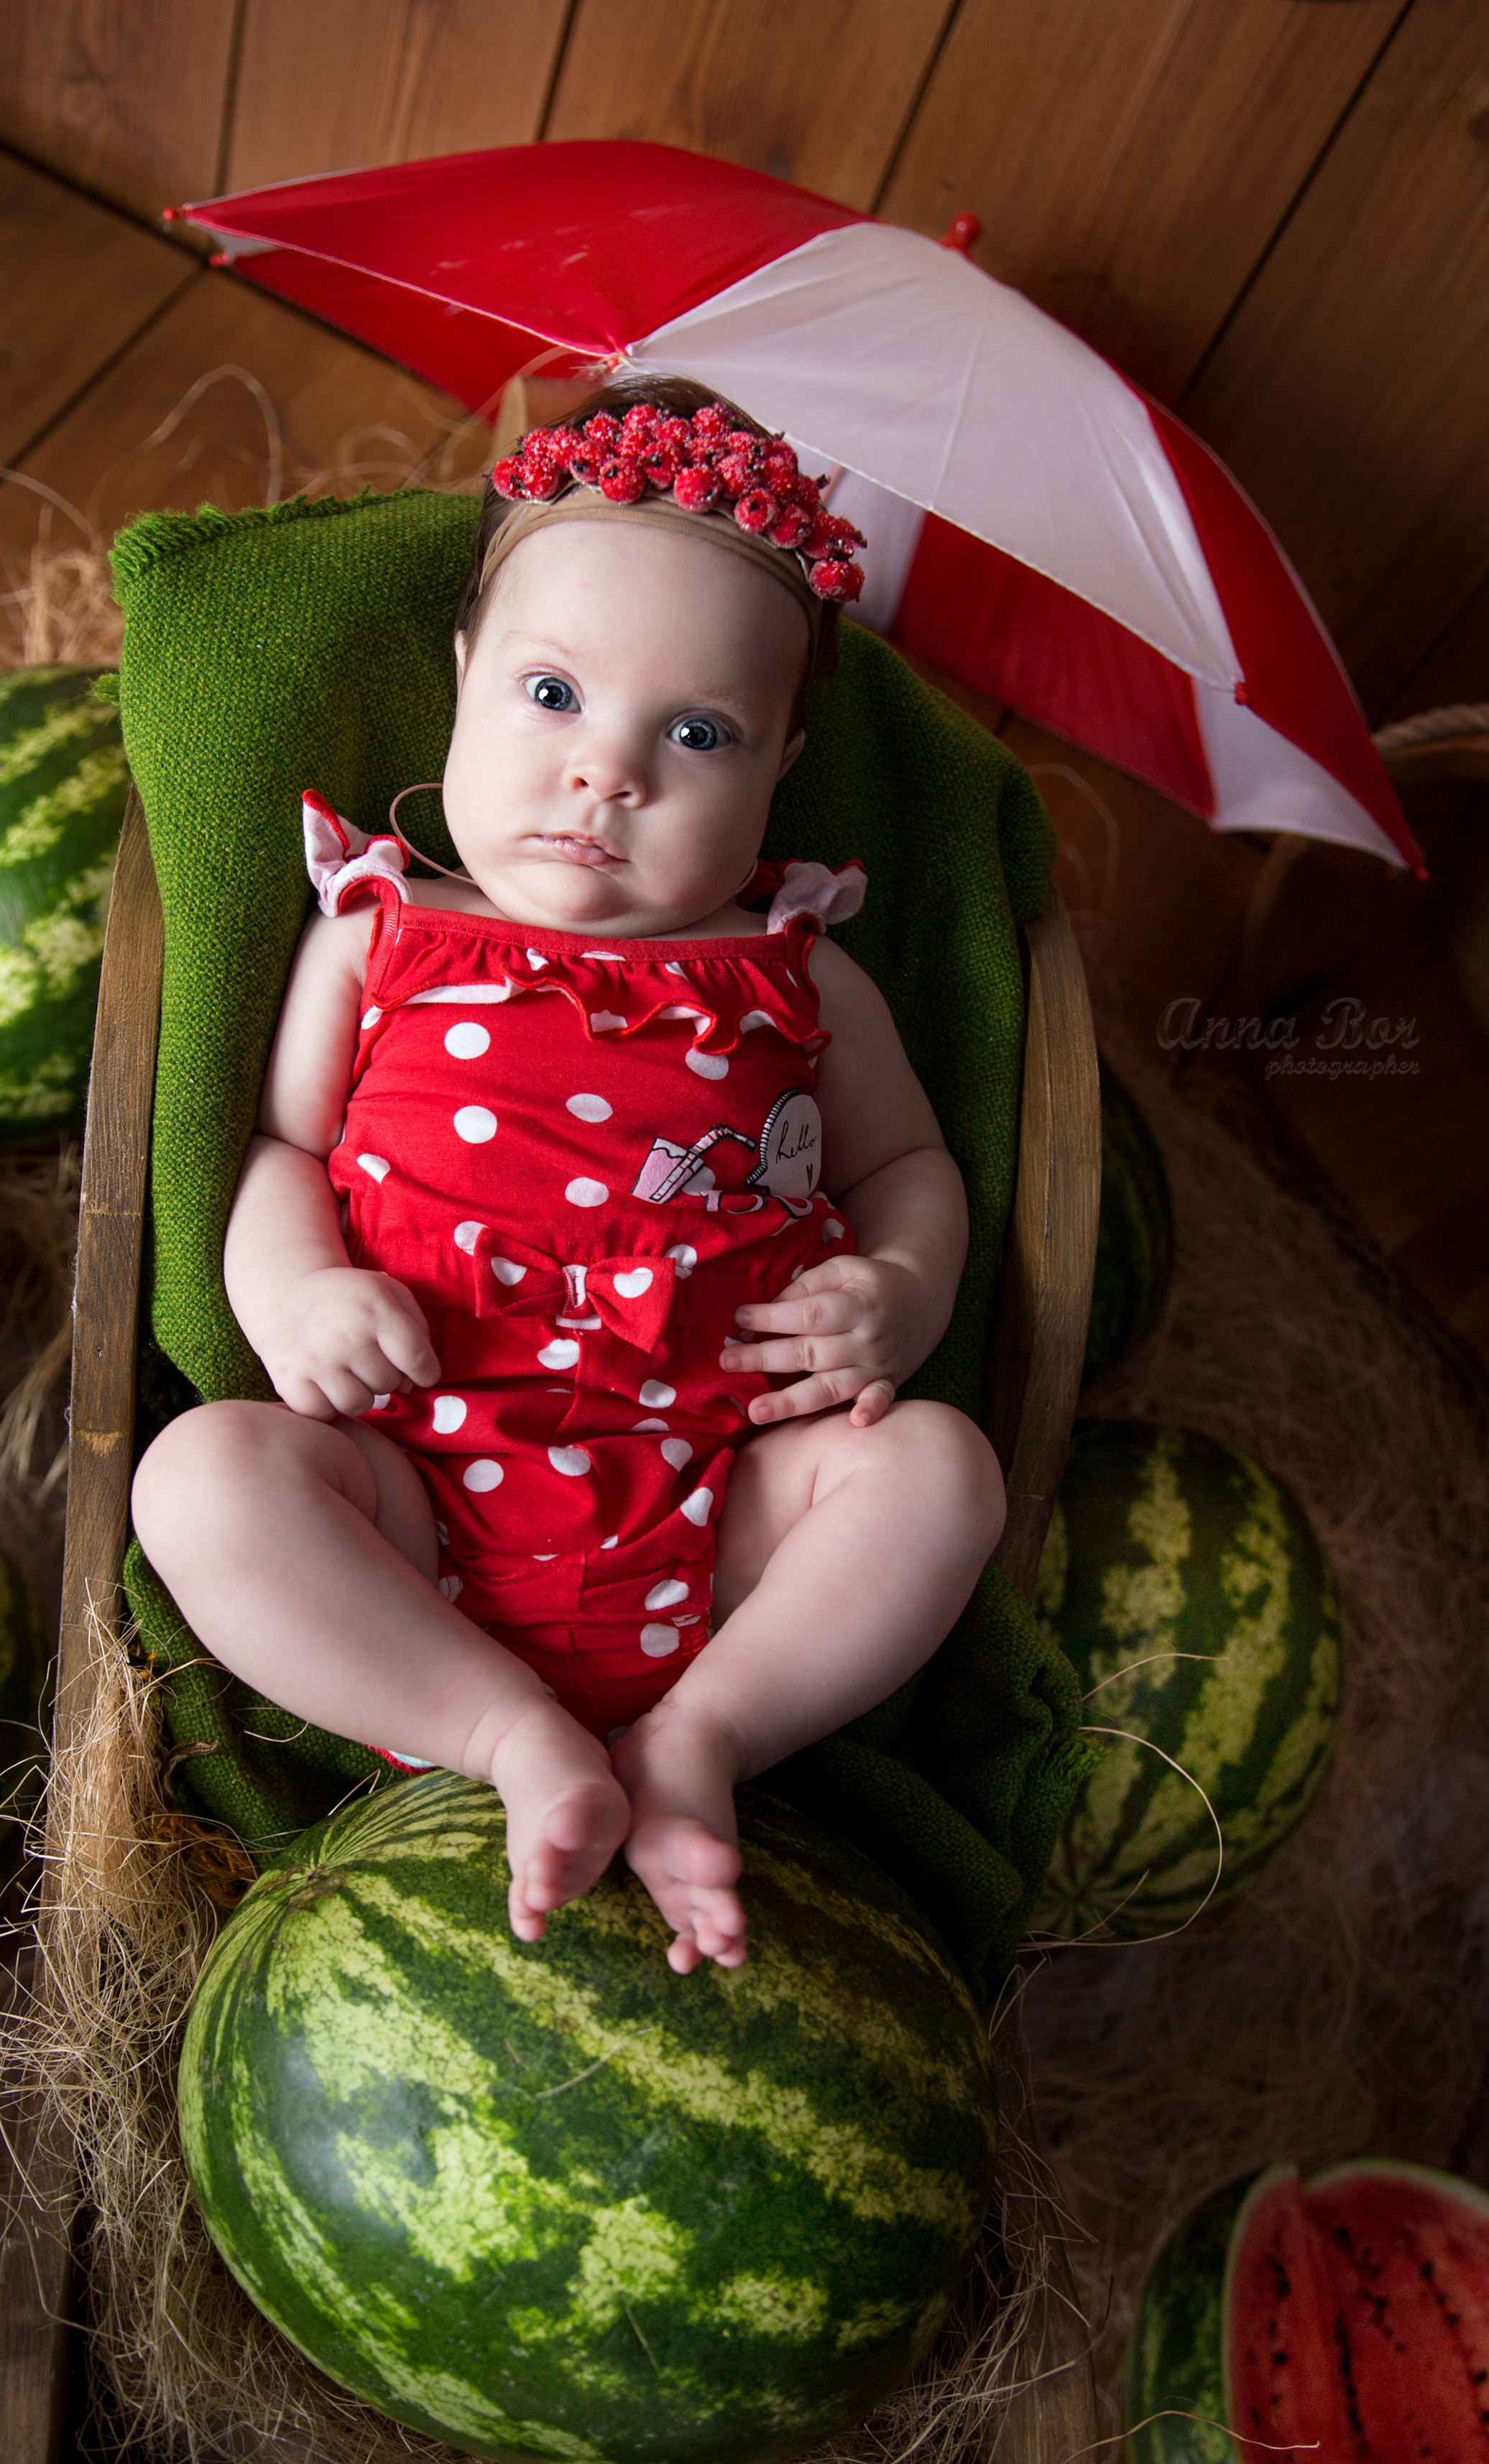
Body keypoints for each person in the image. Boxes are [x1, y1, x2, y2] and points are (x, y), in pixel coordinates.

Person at [131, 383, 1006, 1975]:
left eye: (696, 734)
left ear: (781, 762)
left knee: (940, 1469)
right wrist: (294, 1295)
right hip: (416, 1506)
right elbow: (277, 1149)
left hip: (728, 1508)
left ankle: (703, 1740)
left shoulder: (799, 971)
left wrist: (899, 1287)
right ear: (461, 679)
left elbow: (907, 1165)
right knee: (200, 1479)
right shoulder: (379, 933)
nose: (607, 775)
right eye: (550, 693)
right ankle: (497, 1732)